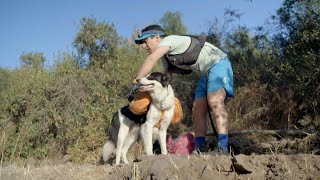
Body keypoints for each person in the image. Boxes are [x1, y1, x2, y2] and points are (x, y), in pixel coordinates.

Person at [133, 24, 234, 154]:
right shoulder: (166, 58)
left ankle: (223, 148)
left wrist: (136, 82)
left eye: (145, 41)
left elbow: (151, 59)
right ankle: (200, 149)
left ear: (157, 38)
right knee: (197, 108)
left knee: (214, 100)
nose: (144, 46)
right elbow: (165, 82)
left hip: (218, 63)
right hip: (206, 73)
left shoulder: (169, 41)